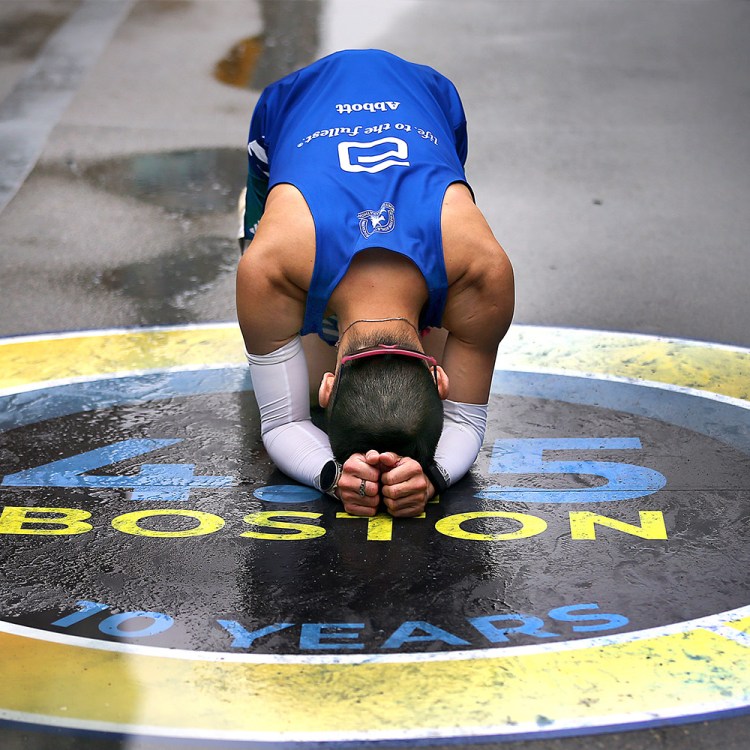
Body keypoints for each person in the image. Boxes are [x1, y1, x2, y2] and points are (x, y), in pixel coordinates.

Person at [236, 49, 514, 519]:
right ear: (438, 377)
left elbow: (285, 428)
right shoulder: (268, 265)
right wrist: (434, 475)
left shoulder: (481, 268)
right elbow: (467, 418)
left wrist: (339, 474)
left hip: (425, 98)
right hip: (295, 107)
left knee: (368, 403)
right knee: (309, 389)